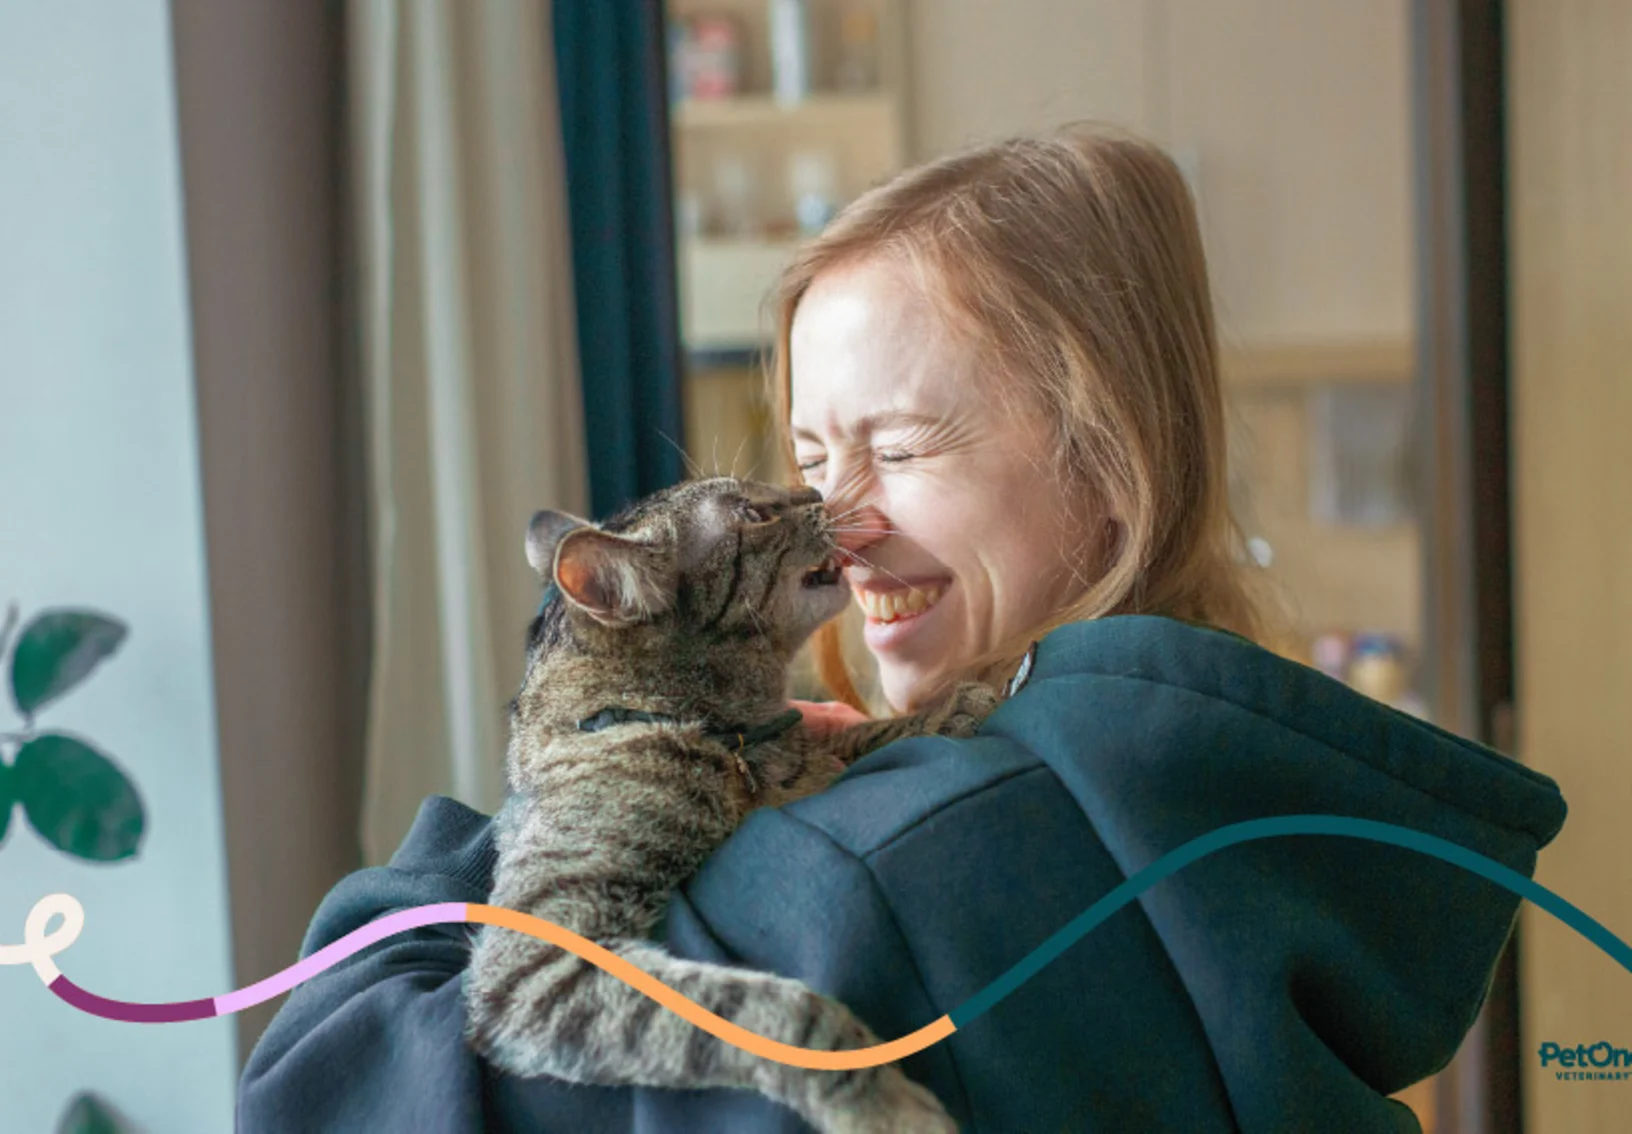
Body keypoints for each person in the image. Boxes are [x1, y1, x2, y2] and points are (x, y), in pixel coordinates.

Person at [238, 123, 1567, 1132]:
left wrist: (572, 799)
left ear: (1108, 462)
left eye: (903, 446)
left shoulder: (899, 861)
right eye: (814, 459)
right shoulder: (1205, 797)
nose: (840, 523)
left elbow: (328, 1081)